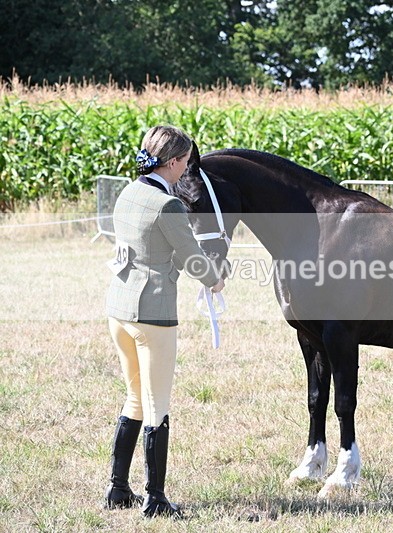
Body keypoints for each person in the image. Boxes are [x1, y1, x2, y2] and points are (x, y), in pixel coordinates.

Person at [104, 125, 224, 517]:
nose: (186, 169)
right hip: (153, 314)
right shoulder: (168, 205)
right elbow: (191, 256)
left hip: (119, 309)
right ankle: (155, 498)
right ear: (172, 162)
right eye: (185, 162)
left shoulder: (128, 192)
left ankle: (118, 489)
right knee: (158, 406)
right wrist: (215, 280)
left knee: (135, 398)